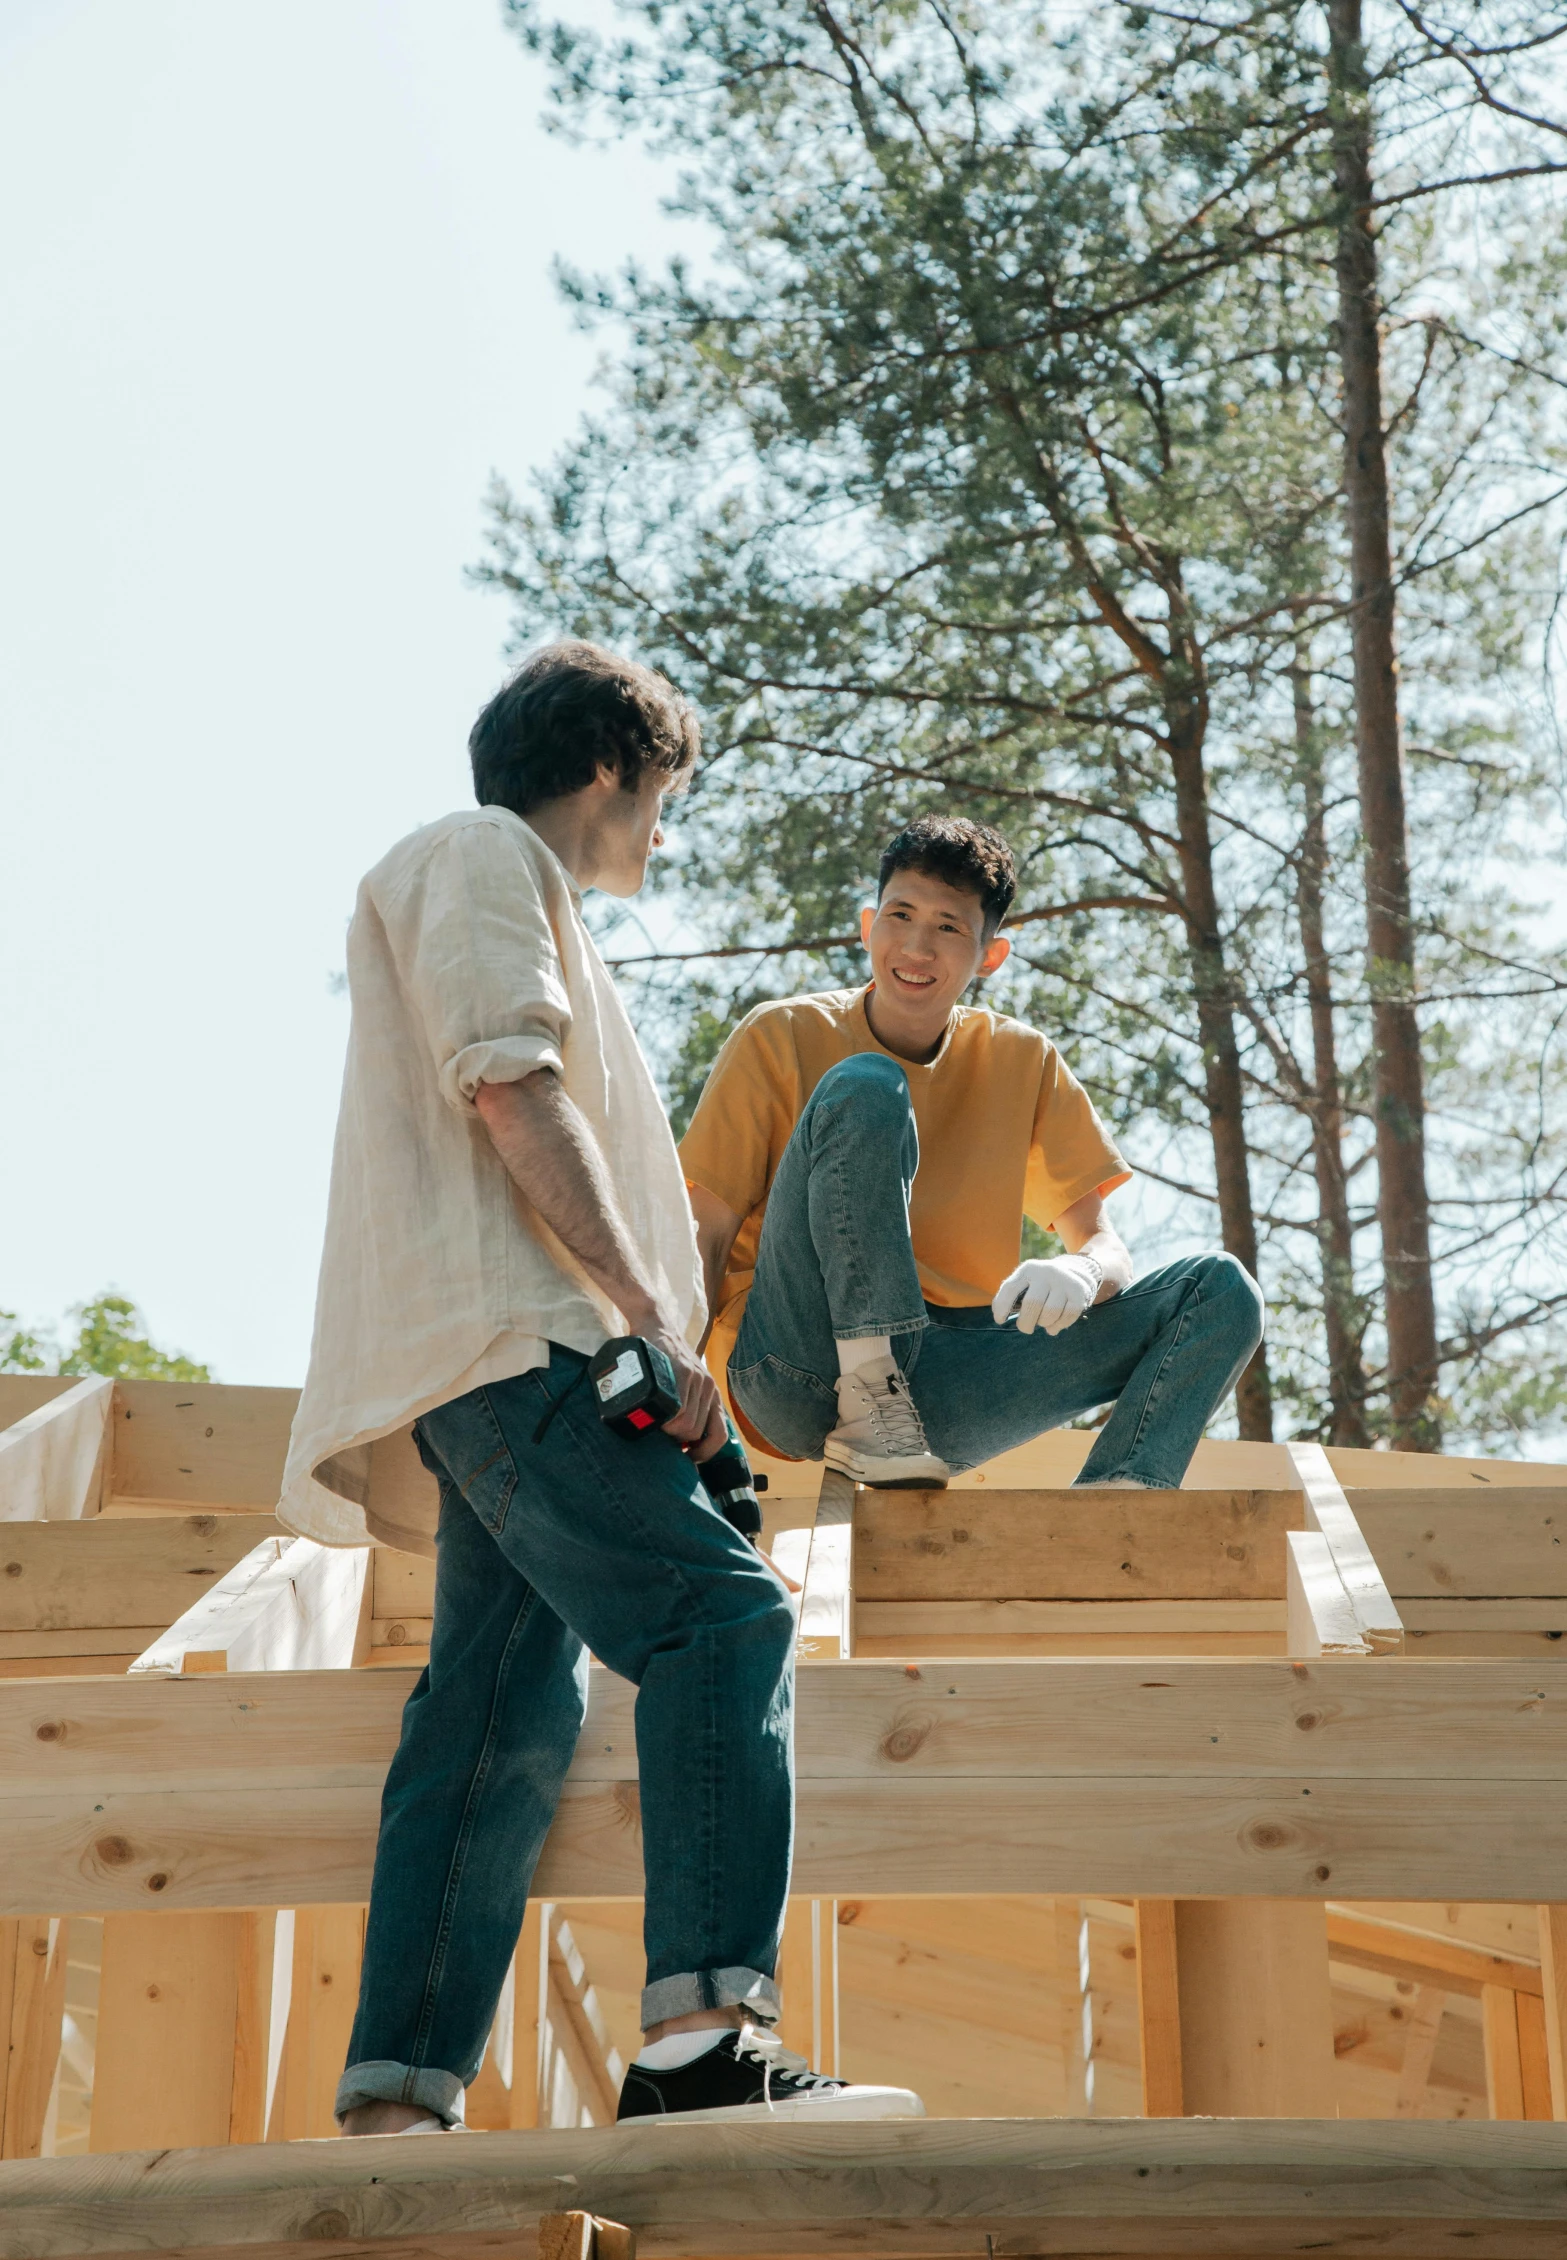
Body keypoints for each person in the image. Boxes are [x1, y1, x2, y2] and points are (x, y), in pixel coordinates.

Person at [279, 640, 921, 2132]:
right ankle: (701, 2043)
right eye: (657, 796)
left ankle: (396, 2103)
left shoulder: (497, 886)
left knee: (498, 1710)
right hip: (527, 1350)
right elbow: (509, 1081)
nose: (657, 831)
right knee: (721, 1611)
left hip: (488, 1370)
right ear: (603, 769)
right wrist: (646, 1314)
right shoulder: (484, 851)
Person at [679, 815, 1264, 1489]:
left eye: (949, 927)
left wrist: (1080, 1270)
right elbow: (706, 1230)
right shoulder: (781, 1033)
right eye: (899, 915)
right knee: (865, 1085)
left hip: (939, 1393)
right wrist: (679, 1393)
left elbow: (1105, 1246)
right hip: (791, 1368)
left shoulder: (1023, 1060)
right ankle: (870, 1395)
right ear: (869, 926)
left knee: (1220, 1289)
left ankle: (1120, 1502)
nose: (918, 946)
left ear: (990, 955)